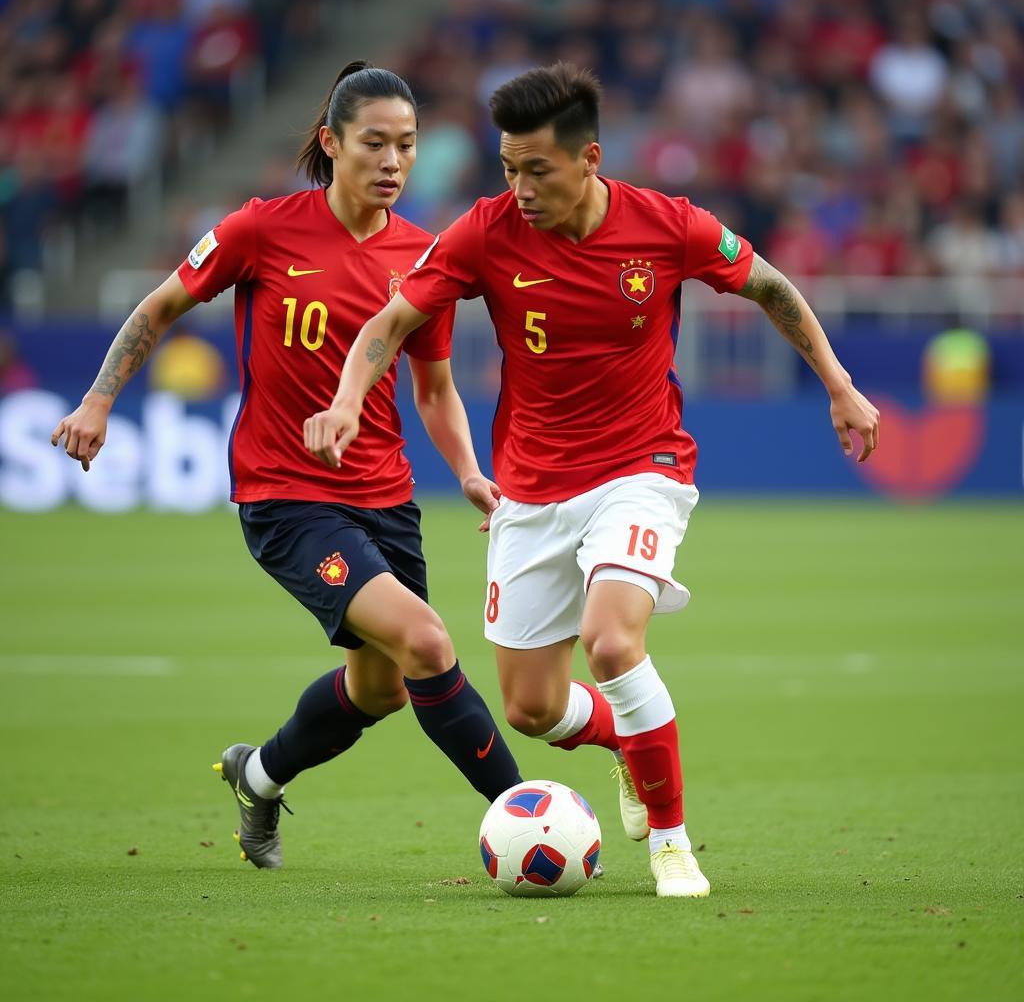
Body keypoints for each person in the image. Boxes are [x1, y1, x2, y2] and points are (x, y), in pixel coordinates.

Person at [304, 62, 881, 898]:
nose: (521, 187)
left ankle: (673, 843)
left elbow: (769, 286)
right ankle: (625, 742)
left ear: (589, 159)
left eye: (537, 169)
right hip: (531, 491)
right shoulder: (485, 232)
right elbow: (391, 322)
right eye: (509, 168)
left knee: (614, 643)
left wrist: (838, 384)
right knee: (532, 709)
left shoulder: (667, 226)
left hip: (641, 469)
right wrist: (349, 397)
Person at [50, 62, 523, 870]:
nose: (393, 162)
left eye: (406, 145)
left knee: (379, 689)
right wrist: (98, 399)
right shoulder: (260, 230)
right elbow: (159, 305)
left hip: (387, 497)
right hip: (288, 497)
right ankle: (526, 812)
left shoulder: (424, 257)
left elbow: (435, 386)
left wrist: (470, 472)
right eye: (374, 143)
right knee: (429, 644)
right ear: (331, 143)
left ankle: (259, 777)